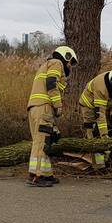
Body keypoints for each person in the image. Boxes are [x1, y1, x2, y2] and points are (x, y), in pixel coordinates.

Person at [26, 46, 77, 186]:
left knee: (43, 141)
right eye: (70, 62)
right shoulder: (57, 63)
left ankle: (45, 174)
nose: (69, 66)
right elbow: (51, 83)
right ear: (66, 57)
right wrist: (58, 105)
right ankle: (37, 176)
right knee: (42, 142)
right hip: (44, 107)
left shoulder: (45, 65)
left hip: (35, 107)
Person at [78, 65, 112, 169]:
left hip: (104, 107)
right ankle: (98, 166)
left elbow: (111, 104)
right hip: (89, 107)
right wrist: (104, 135)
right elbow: (99, 114)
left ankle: (108, 160)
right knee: (94, 133)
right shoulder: (101, 87)